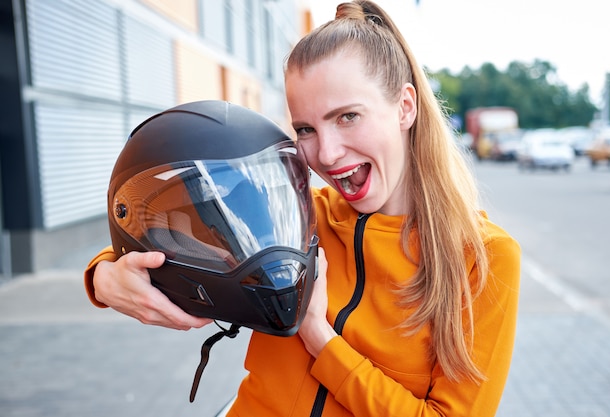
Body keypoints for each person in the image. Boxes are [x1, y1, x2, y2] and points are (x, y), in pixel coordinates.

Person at [84, 1, 521, 416]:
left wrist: (319, 336)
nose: (326, 154)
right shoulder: (295, 215)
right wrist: (104, 278)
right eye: (306, 128)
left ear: (404, 107)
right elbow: (163, 228)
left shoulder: (483, 257)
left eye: (348, 116)